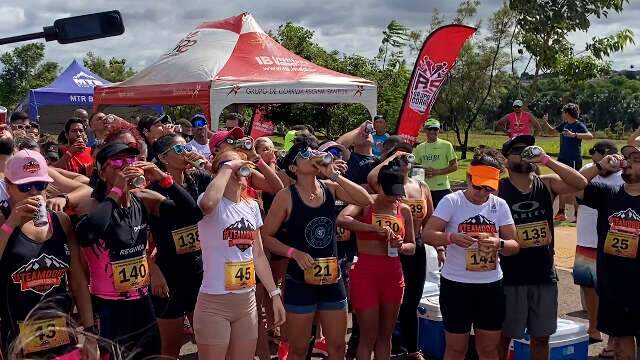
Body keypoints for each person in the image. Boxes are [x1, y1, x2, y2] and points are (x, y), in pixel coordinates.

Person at [76, 142, 200, 358]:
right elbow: (88, 234)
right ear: (102, 172)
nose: (126, 166)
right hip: (109, 306)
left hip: (142, 301)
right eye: (117, 162)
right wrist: (116, 191)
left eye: (131, 160)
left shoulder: (143, 199)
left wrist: (164, 179)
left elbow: (191, 213)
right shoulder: (93, 206)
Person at [262, 141, 373, 360]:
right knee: (299, 349)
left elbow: (366, 200)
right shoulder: (286, 196)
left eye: (313, 151)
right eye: (305, 154)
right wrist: (293, 253)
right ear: (293, 168)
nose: (312, 155)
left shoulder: (330, 188)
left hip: (332, 279)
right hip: (300, 281)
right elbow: (266, 237)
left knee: (338, 347)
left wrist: (334, 176)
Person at [423, 149, 520, 360]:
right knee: (456, 349)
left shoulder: (499, 205)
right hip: (456, 285)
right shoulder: (452, 201)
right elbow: (427, 234)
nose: (482, 193)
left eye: (488, 188)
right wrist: (452, 238)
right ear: (468, 177)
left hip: (490, 286)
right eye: (478, 186)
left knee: (488, 350)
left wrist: (499, 242)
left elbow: (514, 245)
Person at [497, 135, 588, 360]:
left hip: (543, 274)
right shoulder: (498, 189)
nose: (525, 153)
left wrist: (546, 159)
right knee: (503, 336)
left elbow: (580, 183)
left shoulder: (546, 183)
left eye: (528, 149)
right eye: (518, 150)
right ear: (506, 160)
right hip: (510, 275)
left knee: (541, 337)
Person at [0, 150, 96, 358]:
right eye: (25, 186)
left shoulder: (61, 221)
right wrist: (10, 225)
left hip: (62, 334)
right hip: (18, 339)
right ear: (8, 186)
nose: (33, 192)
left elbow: (78, 281)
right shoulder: (2, 220)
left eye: (41, 185)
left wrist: (90, 333)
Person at [194, 149, 285, 359]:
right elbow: (207, 205)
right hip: (214, 304)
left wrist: (274, 294)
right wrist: (227, 167)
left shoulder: (251, 206)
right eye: (229, 165)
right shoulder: (210, 202)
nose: (236, 168)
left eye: (239, 165)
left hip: (247, 303)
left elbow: (259, 255)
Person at [338, 164, 416, 359]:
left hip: (393, 274)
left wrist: (400, 246)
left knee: (385, 335)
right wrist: (373, 229)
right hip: (366, 273)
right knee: (368, 335)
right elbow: (342, 219)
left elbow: (412, 246)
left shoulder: (403, 209)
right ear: (378, 186)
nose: (393, 198)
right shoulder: (365, 202)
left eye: (396, 193)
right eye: (388, 192)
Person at [368, 147, 435, 359]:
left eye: (408, 156)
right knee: (391, 301)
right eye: (401, 158)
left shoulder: (422, 186)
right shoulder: (386, 184)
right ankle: (395, 348)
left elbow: (429, 218)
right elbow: (372, 177)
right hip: (387, 248)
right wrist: (392, 156)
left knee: (412, 300)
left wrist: (439, 248)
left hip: (415, 246)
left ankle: (412, 349)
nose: (405, 160)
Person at [148, 134, 211, 359]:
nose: (186, 152)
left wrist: (207, 164)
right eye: (179, 149)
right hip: (168, 274)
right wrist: (153, 271)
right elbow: (139, 237)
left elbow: (226, 186)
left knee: (208, 341)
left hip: (201, 270)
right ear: (163, 158)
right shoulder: (152, 189)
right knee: (170, 349)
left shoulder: (200, 179)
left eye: (187, 146)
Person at [576, 146, 640, 360]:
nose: (629, 161)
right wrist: (599, 166)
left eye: (636, 159)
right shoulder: (609, 194)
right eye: (628, 157)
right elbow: (575, 185)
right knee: (621, 343)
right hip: (613, 284)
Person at [574, 140, 622, 356]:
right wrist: (599, 166)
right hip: (585, 238)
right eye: (595, 158)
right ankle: (593, 329)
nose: (596, 160)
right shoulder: (589, 170)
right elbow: (575, 185)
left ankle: (613, 338)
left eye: (599, 156)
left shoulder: (624, 176)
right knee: (588, 287)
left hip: (610, 243)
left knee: (612, 292)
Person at [541, 103, 594, 221]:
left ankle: (576, 213)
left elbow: (590, 136)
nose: (562, 114)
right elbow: (552, 131)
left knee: (575, 186)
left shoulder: (578, 125)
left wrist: (574, 135)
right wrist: (545, 121)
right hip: (562, 159)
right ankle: (560, 212)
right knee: (559, 184)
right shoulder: (564, 124)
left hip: (573, 159)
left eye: (563, 112)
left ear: (567, 113)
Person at [412, 119, 458, 207]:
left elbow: (454, 166)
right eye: (429, 129)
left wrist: (437, 172)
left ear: (438, 130)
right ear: (425, 130)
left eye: (435, 129)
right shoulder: (419, 147)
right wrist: (422, 173)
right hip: (424, 189)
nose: (432, 131)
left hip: (442, 188)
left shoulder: (447, 145)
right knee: (425, 218)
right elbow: (415, 168)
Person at [337, 121, 380, 187]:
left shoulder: (380, 159)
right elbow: (339, 144)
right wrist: (360, 128)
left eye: (368, 132)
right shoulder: (350, 157)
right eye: (359, 134)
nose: (365, 134)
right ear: (352, 142)